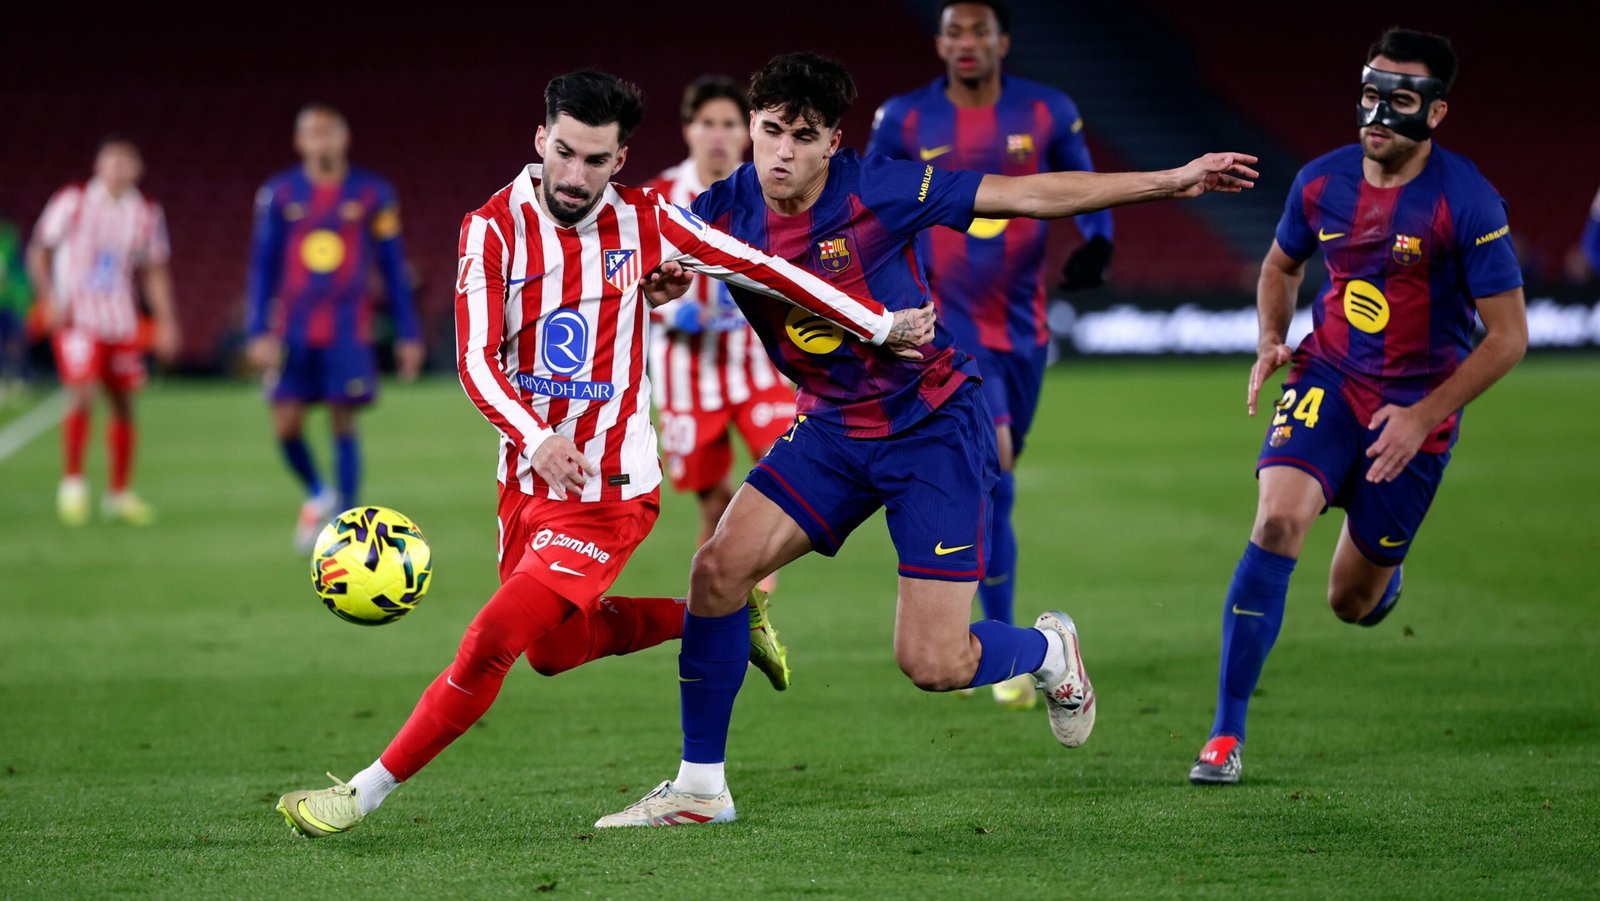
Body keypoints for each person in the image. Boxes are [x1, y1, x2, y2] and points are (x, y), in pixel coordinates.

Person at [274, 68, 937, 839]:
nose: (575, 175)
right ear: (540, 140)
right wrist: (539, 439)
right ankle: (723, 616)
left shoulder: (650, 221)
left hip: (611, 489)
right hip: (527, 480)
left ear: (621, 159)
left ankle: (359, 793)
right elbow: (477, 361)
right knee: (554, 651)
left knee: (492, 640)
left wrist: (878, 323)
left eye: (596, 160)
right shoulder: (490, 228)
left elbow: (767, 269)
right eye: (564, 153)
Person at [598, 52, 1256, 827]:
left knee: (934, 664)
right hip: (833, 429)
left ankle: (1048, 652)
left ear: (833, 141)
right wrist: (665, 279)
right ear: (751, 126)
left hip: (931, 426)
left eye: (801, 137)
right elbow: (654, 257)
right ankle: (700, 788)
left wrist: (1171, 180)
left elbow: (1027, 194)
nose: (780, 152)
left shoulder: (884, 186)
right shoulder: (721, 208)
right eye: (769, 131)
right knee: (717, 571)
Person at [1188, 28, 1527, 786]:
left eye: (1401, 101)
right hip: (1329, 376)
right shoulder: (1320, 182)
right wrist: (1272, 338)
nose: (1378, 113)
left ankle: (1382, 583)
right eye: (1371, 94)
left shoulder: (1468, 201)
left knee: (1350, 600)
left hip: (1417, 406)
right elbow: (1281, 264)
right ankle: (1225, 734)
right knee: (1276, 519)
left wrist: (1423, 414)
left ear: (1436, 114)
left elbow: (1509, 338)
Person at [869, 0, 1113, 709]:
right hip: (943, 325)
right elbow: (871, 206)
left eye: (979, 30)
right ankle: (1001, 649)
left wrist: (1099, 240)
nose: (966, 42)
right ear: (939, 43)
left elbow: (1083, 179)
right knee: (994, 458)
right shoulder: (905, 119)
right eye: (953, 31)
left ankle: (1009, 640)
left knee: (1001, 473)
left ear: (1002, 40)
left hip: (1022, 328)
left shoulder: (1045, 110)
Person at [245, 104, 425, 551]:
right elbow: (262, 265)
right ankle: (317, 491)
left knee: (343, 419)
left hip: (347, 327)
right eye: (313, 133)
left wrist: (409, 333)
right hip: (292, 328)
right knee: (285, 424)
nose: (322, 141)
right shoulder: (279, 193)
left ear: (344, 139)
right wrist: (256, 330)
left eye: (329, 133)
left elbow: (393, 265)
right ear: (299, 141)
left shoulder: (372, 194)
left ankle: (346, 521)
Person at [646, 76, 796, 586]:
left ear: (748, 131)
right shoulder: (657, 198)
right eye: (706, 123)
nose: (717, 135)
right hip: (686, 371)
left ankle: (754, 604)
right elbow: (622, 280)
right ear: (688, 130)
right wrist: (671, 311)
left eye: (729, 124)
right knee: (713, 503)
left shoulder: (773, 194)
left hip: (760, 364)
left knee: (781, 482)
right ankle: (739, 609)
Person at [27, 136, 180, 525]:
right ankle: (73, 485)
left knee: (124, 403)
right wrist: (48, 298)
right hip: (77, 317)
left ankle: (119, 494)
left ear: (138, 169)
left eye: (126, 162)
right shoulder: (73, 201)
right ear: (97, 165)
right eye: (110, 161)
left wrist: (165, 321)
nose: (117, 168)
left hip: (120, 319)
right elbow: (38, 250)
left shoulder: (146, 212)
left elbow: (155, 270)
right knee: (82, 391)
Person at [0, 213, 32, 405]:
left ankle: (18, 378)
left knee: (15, 341)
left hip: (9, 302)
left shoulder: (8, 236)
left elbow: (18, 269)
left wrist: (22, 297)